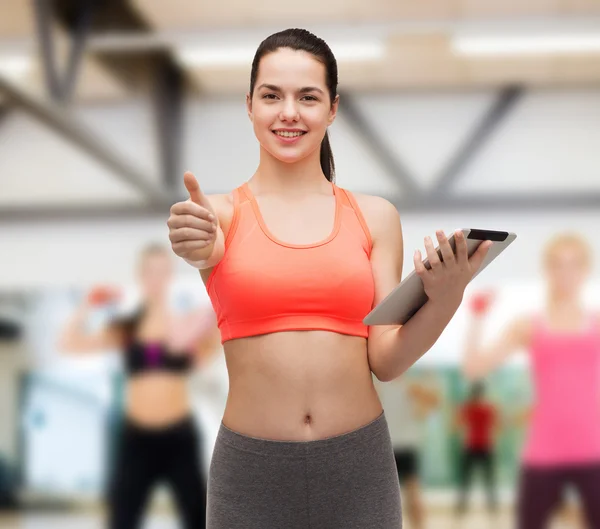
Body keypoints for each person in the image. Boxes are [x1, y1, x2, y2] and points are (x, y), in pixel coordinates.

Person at [167, 28, 491, 529]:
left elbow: (385, 359)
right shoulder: (221, 216)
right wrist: (194, 242)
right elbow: (202, 246)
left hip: (358, 466)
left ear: (333, 108)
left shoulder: (375, 217)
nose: (289, 112)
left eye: (308, 97)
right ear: (249, 105)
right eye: (272, 95)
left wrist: (448, 296)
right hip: (251, 473)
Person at [58, 244, 218, 529]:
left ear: (169, 276)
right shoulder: (126, 328)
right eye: (149, 272)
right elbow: (69, 344)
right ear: (141, 276)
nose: (156, 278)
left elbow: (217, 345)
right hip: (137, 438)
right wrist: (87, 305)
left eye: (161, 271)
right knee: (121, 519)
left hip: (178, 437)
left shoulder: (184, 327)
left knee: (198, 518)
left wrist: (209, 318)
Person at [462, 233, 600, 529]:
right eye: (558, 265)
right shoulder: (528, 326)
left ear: (586, 270)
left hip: (594, 450)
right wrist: (476, 317)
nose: (566, 274)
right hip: (544, 451)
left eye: (574, 265)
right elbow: (475, 368)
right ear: (546, 270)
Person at [376, 372, 440, 529]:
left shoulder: (411, 387)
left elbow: (434, 402)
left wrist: (427, 386)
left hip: (406, 447)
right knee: (384, 498)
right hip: (387, 448)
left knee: (413, 496)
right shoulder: (379, 389)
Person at [454, 381, 499, 515]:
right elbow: (496, 426)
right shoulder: (487, 408)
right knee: (487, 479)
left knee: (467, 479)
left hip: (474, 446)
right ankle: (491, 506)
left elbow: (457, 423)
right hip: (483, 446)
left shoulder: (469, 408)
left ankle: (463, 506)